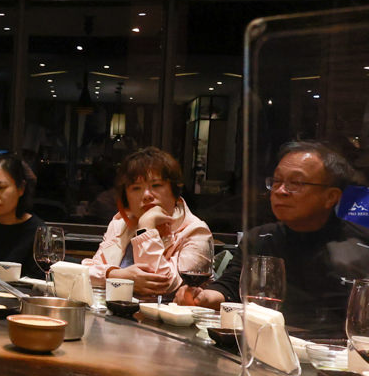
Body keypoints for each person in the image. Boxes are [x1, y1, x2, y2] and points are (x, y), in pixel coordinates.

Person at [177, 141, 369, 337]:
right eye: (276, 181)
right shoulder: (260, 238)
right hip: (267, 346)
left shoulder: (362, 246)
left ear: (331, 197)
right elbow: (232, 287)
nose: (280, 191)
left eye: (296, 183)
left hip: (337, 356)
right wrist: (203, 297)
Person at [82, 147, 213, 298]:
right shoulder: (121, 224)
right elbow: (87, 272)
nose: (146, 195)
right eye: (136, 188)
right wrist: (118, 275)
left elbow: (160, 286)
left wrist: (146, 227)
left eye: (156, 186)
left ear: (174, 192)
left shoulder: (195, 231)